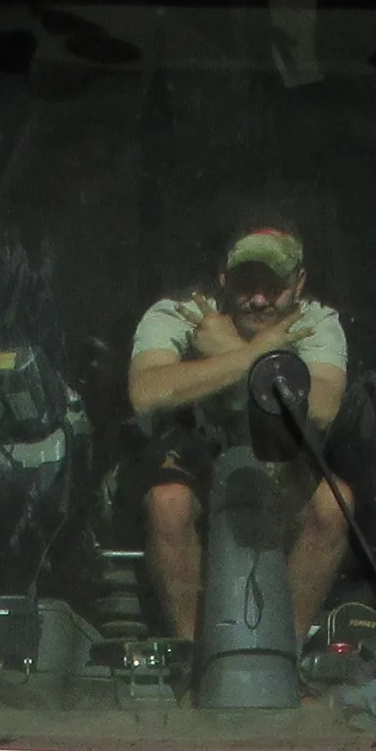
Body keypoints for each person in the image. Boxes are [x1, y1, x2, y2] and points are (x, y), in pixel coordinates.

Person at [126, 227, 351, 643]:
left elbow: (320, 407)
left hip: (278, 469)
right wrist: (254, 357)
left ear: (299, 283)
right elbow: (147, 393)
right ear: (223, 278)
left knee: (334, 506)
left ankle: (287, 656)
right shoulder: (181, 313)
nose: (260, 299)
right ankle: (192, 658)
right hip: (195, 466)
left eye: (274, 286)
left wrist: (240, 354)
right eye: (247, 284)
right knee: (167, 503)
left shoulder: (317, 321)